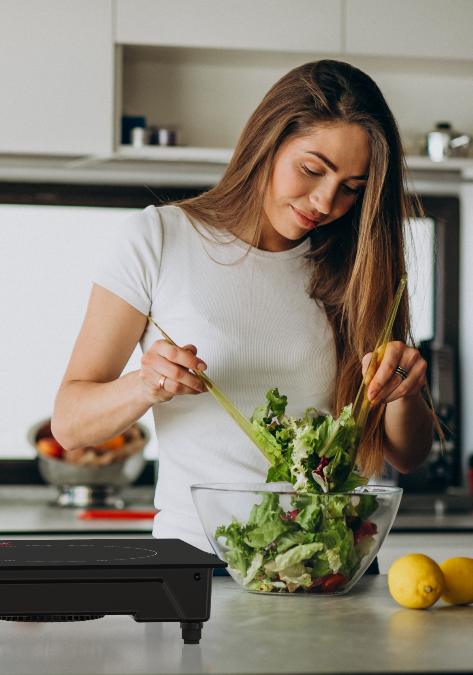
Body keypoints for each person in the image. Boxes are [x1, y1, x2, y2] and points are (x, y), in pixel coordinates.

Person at [52, 60, 435, 552]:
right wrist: (144, 385)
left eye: (351, 189)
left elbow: (408, 455)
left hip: (331, 561)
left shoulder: (359, 265)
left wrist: (405, 392)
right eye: (312, 169)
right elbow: (69, 424)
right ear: (267, 142)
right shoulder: (159, 238)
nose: (324, 201)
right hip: (199, 558)